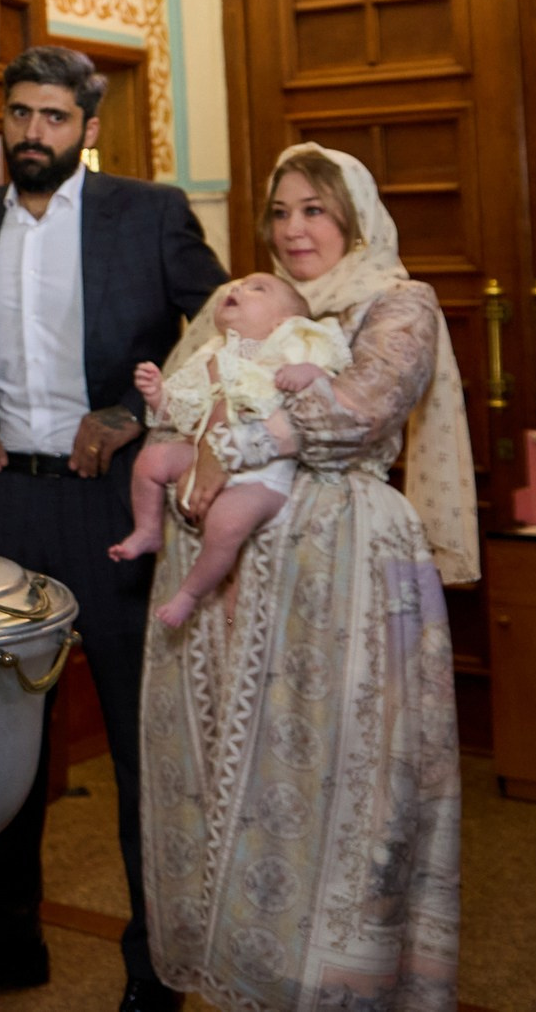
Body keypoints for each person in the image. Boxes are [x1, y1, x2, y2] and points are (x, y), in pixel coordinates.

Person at [0, 46, 226, 1012]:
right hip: (4, 503)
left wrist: (137, 417)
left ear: (87, 128)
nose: (33, 134)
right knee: (7, 738)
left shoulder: (150, 213)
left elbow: (218, 323)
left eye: (53, 118)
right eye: (20, 116)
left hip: (114, 508)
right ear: (2, 122)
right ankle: (7, 940)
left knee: (138, 741)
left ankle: (156, 967)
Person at [141, 146, 476, 1012]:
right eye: (281, 211)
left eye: (315, 211)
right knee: (231, 783)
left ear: (353, 219)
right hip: (224, 582)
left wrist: (239, 445)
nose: (293, 229)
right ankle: (246, 975)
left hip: (344, 572)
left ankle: (338, 987)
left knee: (339, 785)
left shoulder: (399, 301)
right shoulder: (239, 306)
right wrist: (182, 469)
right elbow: (179, 406)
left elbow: (359, 403)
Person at [111, 275, 350, 628]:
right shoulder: (211, 353)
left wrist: (309, 370)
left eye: (257, 288)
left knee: (226, 524)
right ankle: (148, 529)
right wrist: (159, 395)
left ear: (283, 320)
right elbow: (185, 413)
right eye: (235, 285)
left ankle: (190, 593)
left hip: (261, 474)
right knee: (151, 460)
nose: (235, 289)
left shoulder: (295, 343)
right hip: (202, 451)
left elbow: (334, 385)